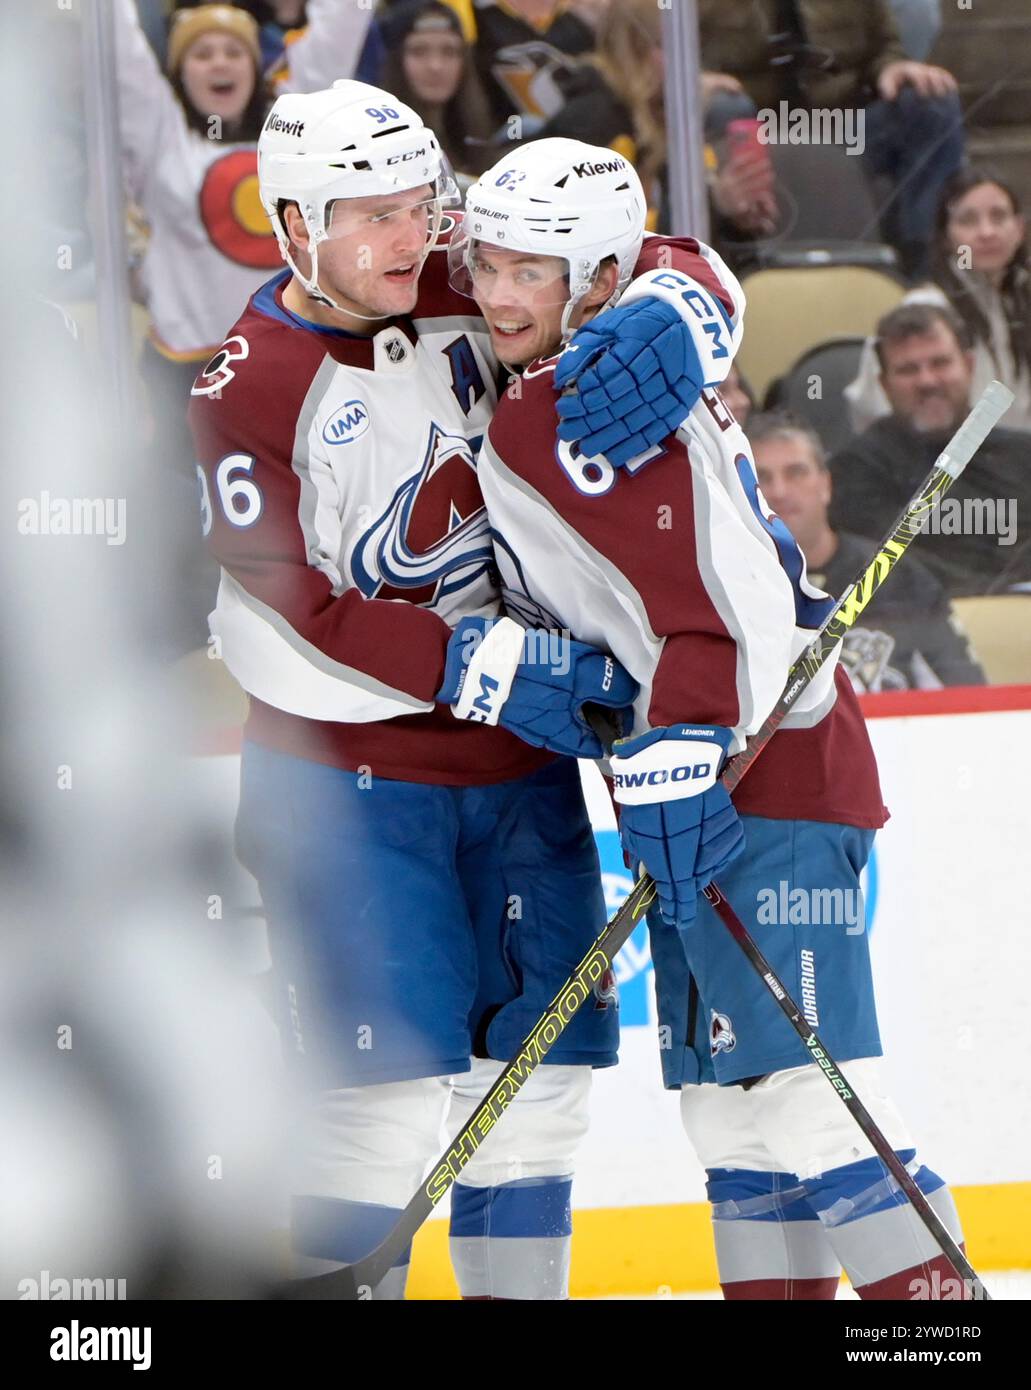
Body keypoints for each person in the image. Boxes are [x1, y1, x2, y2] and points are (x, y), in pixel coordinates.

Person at [188, 82, 750, 1299]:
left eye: (421, 204)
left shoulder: (461, 280)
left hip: (521, 772)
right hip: (346, 790)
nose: (415, 236)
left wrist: (691, 308)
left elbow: (634, 251)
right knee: (376, 1106)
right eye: (373, 214)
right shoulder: (247, 387)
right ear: (292, 222)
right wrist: (479, 665)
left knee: (537, 1097)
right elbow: (284, 605)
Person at [456, 136, 971, 1300]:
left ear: (594, 276)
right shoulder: (570, 357)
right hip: (705, 770)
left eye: (528, 269)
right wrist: (693, 282)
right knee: (728, 1117)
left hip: (763, 768)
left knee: (801, 1092)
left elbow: (732, 618)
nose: (494, 289)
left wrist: (677, 742)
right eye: (486, 260)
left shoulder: (583, 409)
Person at [114, 0, 373, 650]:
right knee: (183, 526)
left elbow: (341, 28)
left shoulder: (289, 137)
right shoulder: (161, 140)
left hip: (288, 369)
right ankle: (172, 664)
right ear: (181, 71)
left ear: (257, 64)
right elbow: (120, 54)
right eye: (201, 53)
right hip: (185, 374)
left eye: (232, 51)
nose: (219, 62)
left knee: (300, 528)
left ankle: (315, 655)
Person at [696, 0, 964, 278]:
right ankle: (734, 267)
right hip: (750, 128)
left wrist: (892, 67)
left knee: (931, 103)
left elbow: (884, 44)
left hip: (842, 127)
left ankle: (923, 269)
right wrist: (693, 76)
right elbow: (661, 46)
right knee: (720, 108)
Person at [748, 412, 987, 691]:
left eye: (796, 472)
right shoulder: (730, 585)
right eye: (761, 478)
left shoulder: (896, 575)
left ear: (826, 484)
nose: (779, 491)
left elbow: (966, 693)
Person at [831, 302, 1031, 597]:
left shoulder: (1023, 454)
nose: (927, 381)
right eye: (908, 370)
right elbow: (889, 568)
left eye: (940, 363)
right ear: (884, 384)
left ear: (969, 366)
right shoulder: (854, 470)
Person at [846, 170, 1031, 433]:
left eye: (998, 217)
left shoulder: (1018, 303)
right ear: (946, 237)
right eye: (968, 221)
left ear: (1019, 229)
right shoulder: (923, 310)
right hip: (940, 465)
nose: (987, 232)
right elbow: (875, 412)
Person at [377, 1, 495, 180]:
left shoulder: (480, 137)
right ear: (396, 60)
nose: (435, 66)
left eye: (449, 52)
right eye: (419, 51)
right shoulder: (379, 144)